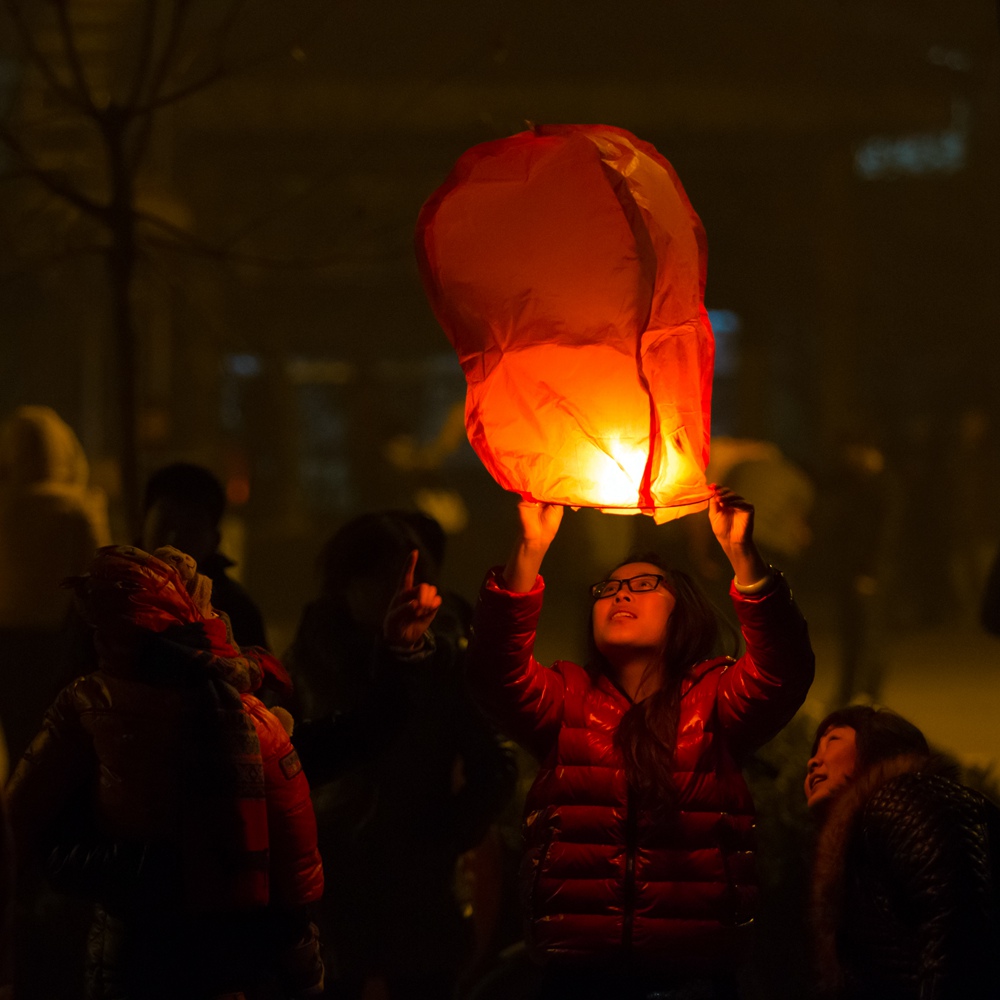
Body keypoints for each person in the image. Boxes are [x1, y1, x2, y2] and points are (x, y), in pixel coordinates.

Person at [431, 484, 815, 1000]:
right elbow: (494, 674)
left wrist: (742, 556)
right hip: (578, 974)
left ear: (683, 612)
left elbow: (782, 670)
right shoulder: (566, 699)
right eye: (608, 589)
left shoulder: (716, 700)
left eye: (643, 584)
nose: (620, 595)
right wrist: (530, 549)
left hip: (693, 975)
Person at [6, 545, 324, 1000]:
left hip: (129, 944)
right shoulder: (249, 719)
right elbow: (293, 850)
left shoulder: (88, 701)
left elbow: (20, 818)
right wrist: (304, 960)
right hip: (223, 954)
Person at [285, 510, 516, 1000]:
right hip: (330, 877)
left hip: (418, 881)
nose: (389, 590)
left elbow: (494, 764)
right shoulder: (314, 653)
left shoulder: (443, 660)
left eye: (403, 576)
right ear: (343, 584)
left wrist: (445, 834)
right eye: (374, 577)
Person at [805, 705, 1000, 999]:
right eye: (815, 748)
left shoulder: (901, 797)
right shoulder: (859, 845)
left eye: (832, 740)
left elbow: (956, 922)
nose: (812, 762)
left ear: (877, 748)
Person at [0, 405, 110, 762]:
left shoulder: (5, 506)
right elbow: (100, 575)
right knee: (51, 739)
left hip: (7, 639)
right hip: (60, 640)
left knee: (16, 734)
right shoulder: (78, 509)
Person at [141, 462, 268, 649]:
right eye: (165, 523)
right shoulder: (105, 593)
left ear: (214, 540)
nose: (173, 539)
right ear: (143, 523)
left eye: (190, 530)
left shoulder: (235, 610)